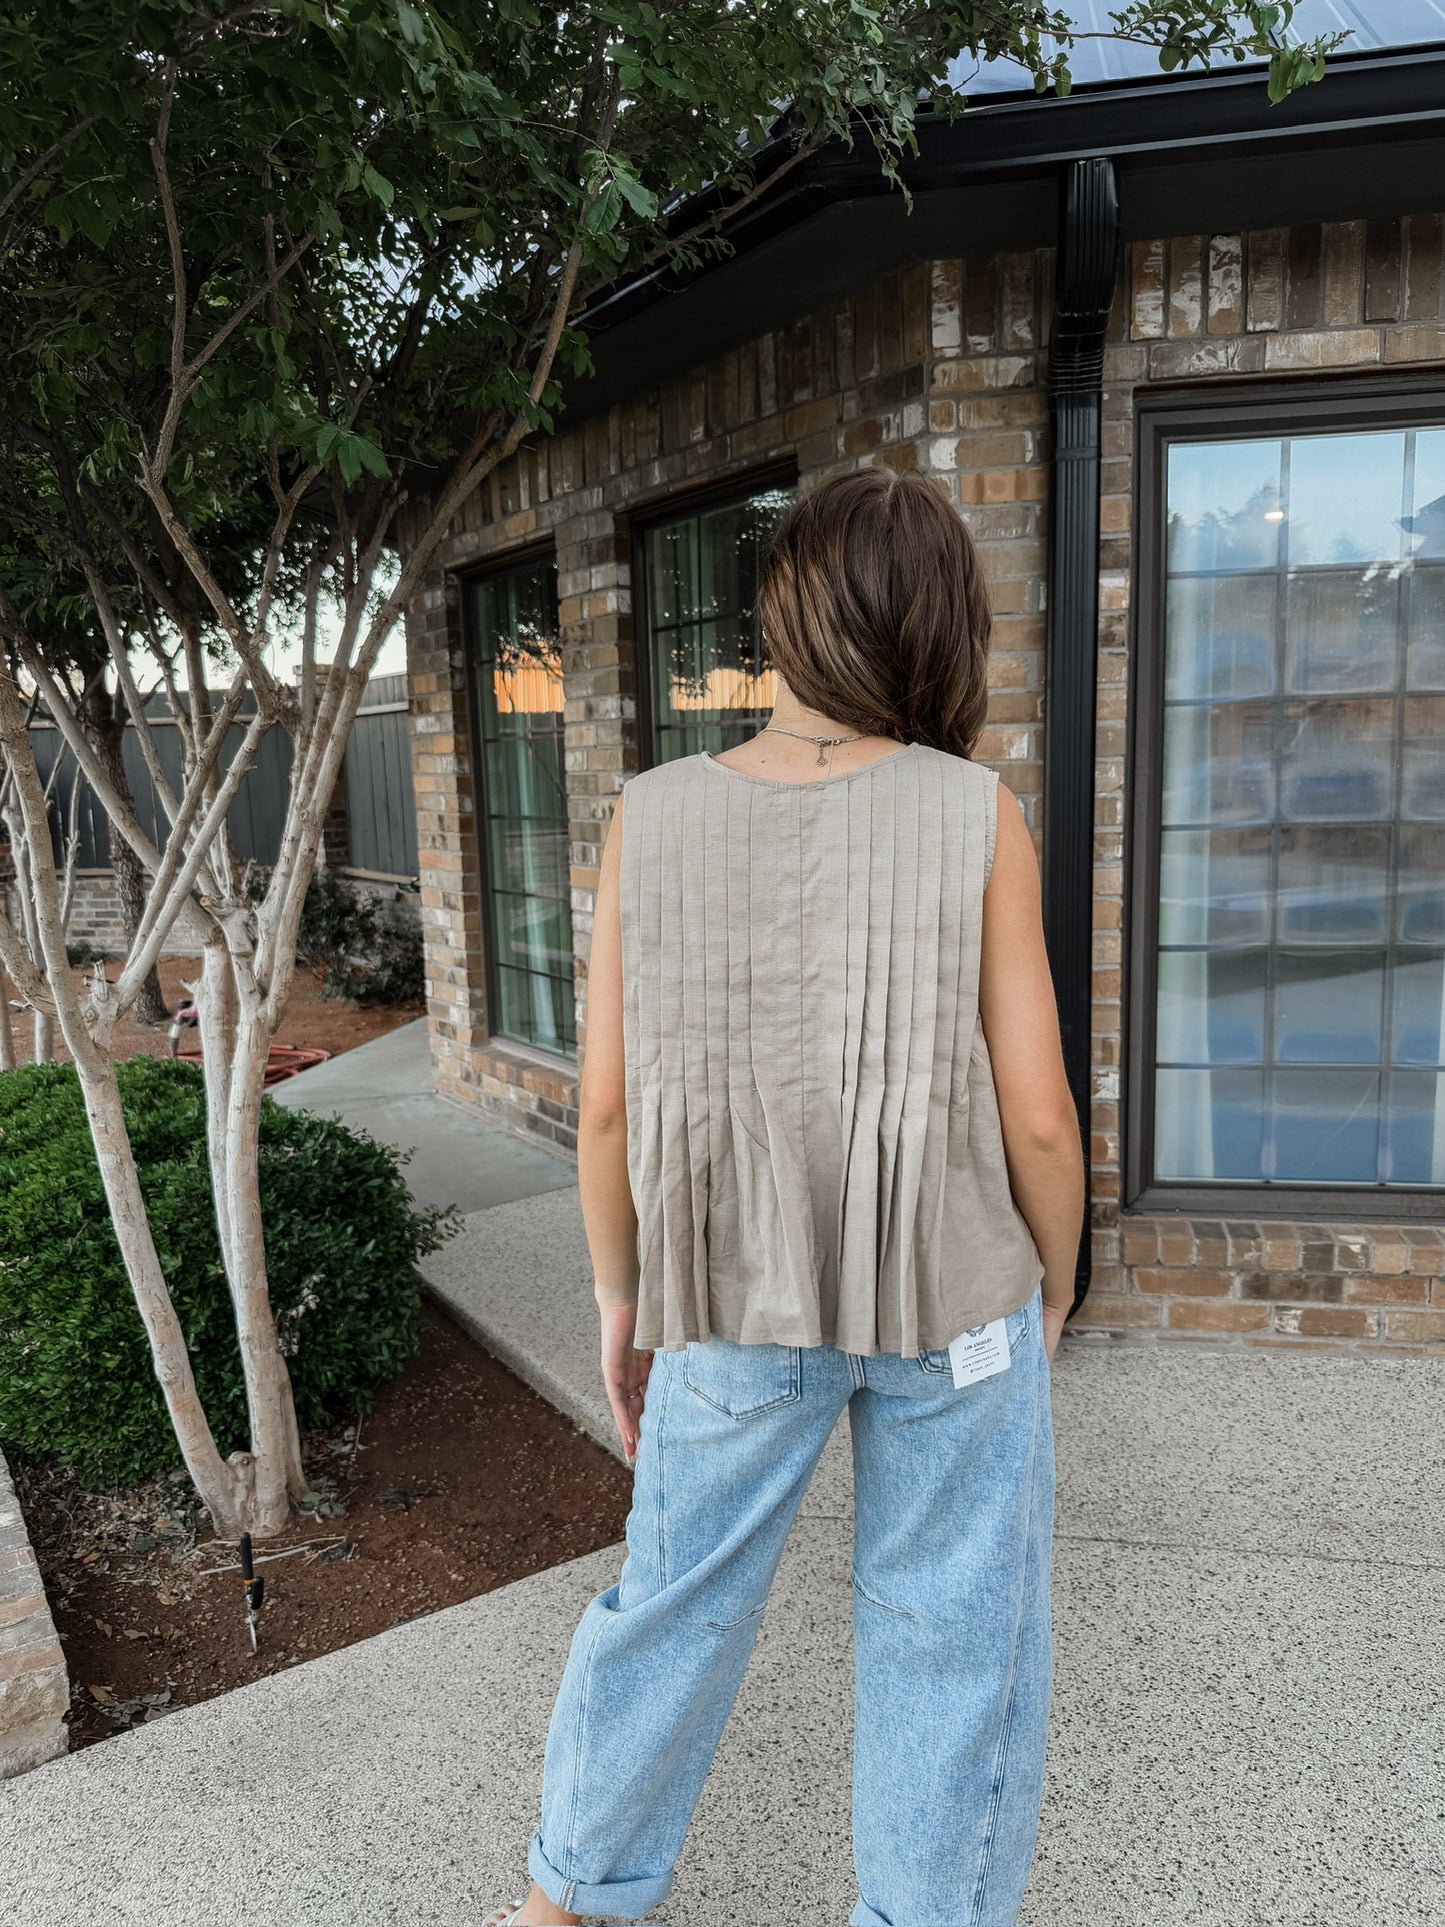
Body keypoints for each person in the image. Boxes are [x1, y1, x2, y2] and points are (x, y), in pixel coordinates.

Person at [485, 466, 1085, 1927]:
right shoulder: (976, 813)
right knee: (955, 1631)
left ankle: (566, 1902)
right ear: (941, 623)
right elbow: (1038, 1115)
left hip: (730, 1296)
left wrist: (623, 1299)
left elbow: (606, 1108)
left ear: (785, 613)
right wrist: (1056, 1285)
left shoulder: (650, 815)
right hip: (958, 1301)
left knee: (670, 1602)